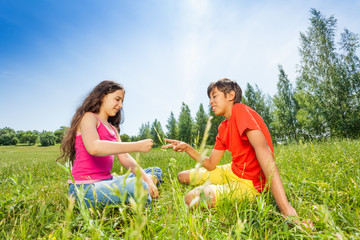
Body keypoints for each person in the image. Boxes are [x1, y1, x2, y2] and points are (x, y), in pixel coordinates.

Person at [162, 78, 301, 219]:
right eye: (210, 98)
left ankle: (222, 190)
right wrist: (187, 148)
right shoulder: (223, 127)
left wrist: (286, 209)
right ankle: (218, 184)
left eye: (214, 96)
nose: (210, 101)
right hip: (233, 170)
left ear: (230, 95)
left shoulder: (240, 110)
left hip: (251, 184)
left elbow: (264, 152)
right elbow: (210, 164)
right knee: (182, 176)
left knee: (191, 198)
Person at [58, 80, 162, 208]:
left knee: (155, 171)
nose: (120, 105)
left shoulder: (113, 129)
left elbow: (125, 157)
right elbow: (94, 147)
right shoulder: (88, 118)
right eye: (117, 99)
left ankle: (144, 187)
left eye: (122, 101)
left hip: (107, 181)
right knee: (140, 185)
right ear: (102, 96)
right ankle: (142, 198)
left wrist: (147, 179)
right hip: (84, 188)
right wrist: (137, 146)